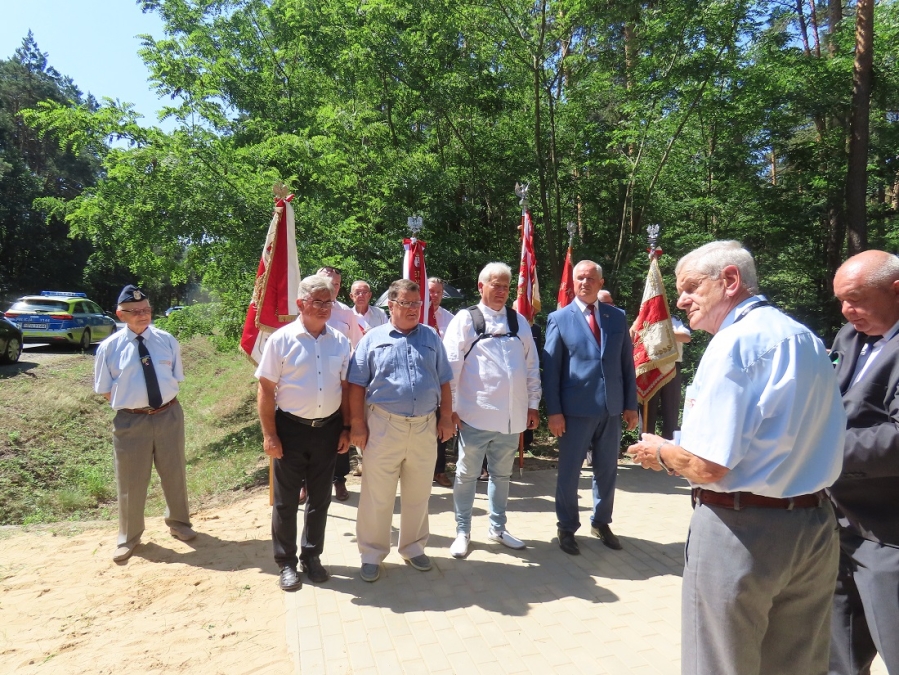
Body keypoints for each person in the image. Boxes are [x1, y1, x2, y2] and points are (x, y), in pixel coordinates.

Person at [628, 240, 846, 675]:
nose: (681, 300)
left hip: (743, 531)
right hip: (816, 528)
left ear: (730, 280)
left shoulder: (734, 343)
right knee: (799, 666)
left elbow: (707, 466)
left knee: (720, 664)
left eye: (690, 287)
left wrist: (662, 452)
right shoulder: (804, 336)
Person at [348, 279, 455, 582]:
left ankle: (413, 547)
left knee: (419, 493)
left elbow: (444, 380)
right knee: (377, 495)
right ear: (391, 305)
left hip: (424, 427)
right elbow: (356, 385)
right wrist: (357, 424)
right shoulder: (372, 339)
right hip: (383, 426)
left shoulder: (431, 337)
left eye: (416, 303)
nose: (413, 309)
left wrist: (446, 417)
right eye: (406, 303)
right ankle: (371, 554)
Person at [255, 275, 351, 592]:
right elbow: (266, 389)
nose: (324, 308)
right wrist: (270, 435)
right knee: (285, 503)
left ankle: (312, 556)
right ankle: (286, 563)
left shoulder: (340, 341)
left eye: (328, 302)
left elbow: (346, 388)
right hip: (290, 431)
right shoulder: (281, 340)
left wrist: (347, 428)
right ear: (300, 303)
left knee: (320, 499)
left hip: (328, 430)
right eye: (317, 301)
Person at [828, 250, 899, 675]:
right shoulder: (848, 337)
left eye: (855, 299)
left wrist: (818, 452)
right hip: (836, 526)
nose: (846, 310)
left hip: (888, 535)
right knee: (839, 660)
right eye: (840, 300)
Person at [442, 263, 541, 558]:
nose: (501, 291)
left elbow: (532, 366)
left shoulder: (518, 321)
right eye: (495, 285)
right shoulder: (465, 319)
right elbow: (450, 368)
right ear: (480, 286)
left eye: (505, 287)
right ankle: (462, 531)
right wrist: (451, 410)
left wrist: (533, 405)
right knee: (466, 475)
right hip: (474, 416)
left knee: (501, 476)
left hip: (511, 418)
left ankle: (497, 529)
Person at [543, 260, 639, 555]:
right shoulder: (559, 318)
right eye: (580, 278)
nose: (584, 283)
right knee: (570, 472)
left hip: (611, 408)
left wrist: (630, 404)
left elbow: (626, 363)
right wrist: (554, 411)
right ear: (573, 282)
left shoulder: (616, 316)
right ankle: (567, 526)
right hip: (574, 411)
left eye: (590, 278)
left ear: (600, 282)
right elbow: (551, 370)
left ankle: (601, 522)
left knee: (607, 470)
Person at [94, 284, 195, 562]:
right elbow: (105, 390)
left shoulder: (166, 340)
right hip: (131, 421)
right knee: (130, 481)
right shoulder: (109, 348)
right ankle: (129, 537)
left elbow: (175, 377)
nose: (143, 314)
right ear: (120, 314)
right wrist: (134, 405)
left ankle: (179, 523)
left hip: (168, 415)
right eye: (135, 311)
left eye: (146, 309)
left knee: (174, 471)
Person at [316, 265, 361, 501]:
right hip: (310, 380)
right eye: (327, 282)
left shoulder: (346, 313)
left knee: (339, 431)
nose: (332, 287)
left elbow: (356, 345)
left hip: (338, 382)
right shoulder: (303, 308)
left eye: (336, 284)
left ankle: (339, 480)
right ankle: (306, 483)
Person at [641, 313, 691, 440]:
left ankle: (669, 447)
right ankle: (644, 447)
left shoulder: (673, 320)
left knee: (671, 413)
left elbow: (686, 337)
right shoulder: (644, 319)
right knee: (647, 416)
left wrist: (662, 333)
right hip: (650, 369)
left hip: (672, 368)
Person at [427, 277, 456, 487]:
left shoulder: (451, 319)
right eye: (430, 291)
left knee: (442, 426)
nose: (434, 295)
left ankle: (439, 470)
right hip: (421, 379)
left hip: (442, 380)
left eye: (438, 292)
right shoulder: (417, 316)